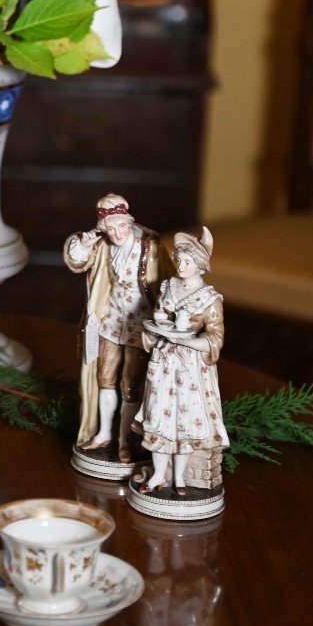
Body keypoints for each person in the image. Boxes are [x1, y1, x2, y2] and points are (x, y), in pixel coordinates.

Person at [64, 193, 166, 465]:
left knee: (130, 385)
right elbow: (77, 260)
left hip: (141, 325)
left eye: (121, 226)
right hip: (111, 321)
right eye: (110, 228)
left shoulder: (150, 245)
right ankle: (104, 433)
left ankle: (126, 440)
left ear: (129, 223)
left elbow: (164, 283)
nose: (117, 233)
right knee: (105, 378)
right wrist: (85, 244)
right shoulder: (104, 245)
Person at [136, 228, 228, 495]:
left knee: (183, 423)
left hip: (189, 369)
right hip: (164, 364)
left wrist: (188, 340)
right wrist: (160, 327)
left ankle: (179, 478)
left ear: (200, 265)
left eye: (187, 262)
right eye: (179, 260)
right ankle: (156, 477)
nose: (181, 265)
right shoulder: (167, 286)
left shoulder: (210, 300)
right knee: (159, 419)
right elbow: (157, 317)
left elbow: (215, 337)